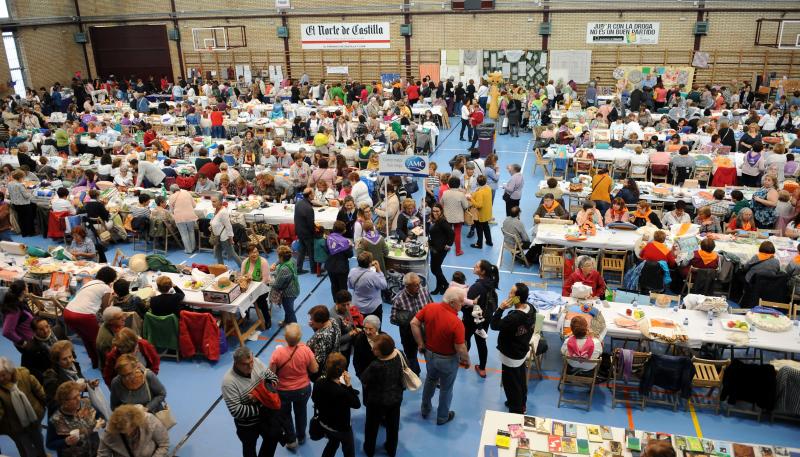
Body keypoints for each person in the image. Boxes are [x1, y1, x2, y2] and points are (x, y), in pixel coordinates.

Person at [411, 287, 470, 425]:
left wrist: (420, 343)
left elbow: (414, 323)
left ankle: (425, 409)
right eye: (461, 302)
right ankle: (442, 417)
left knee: (430, 380)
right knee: (446, 388)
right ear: (452, 302)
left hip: (429, 355)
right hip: (447, 360)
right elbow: (460, 347)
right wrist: (466, 360)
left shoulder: (430, 307)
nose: (462, 305)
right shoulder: (457, 323)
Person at [222, 346, 281, 457]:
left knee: (274, 437)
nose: (250, 366)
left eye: (251, 361)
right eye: (245, 364)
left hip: (265, 418)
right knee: (249, 449)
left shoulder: (257, 362)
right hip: (247, 425)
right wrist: (263, 405)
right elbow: (236, 411)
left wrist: (258, 395)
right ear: (236, 363)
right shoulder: (228, 382)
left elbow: (274, 379)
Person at [268, 323, 318, 450]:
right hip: (302, 389)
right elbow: (314, 369)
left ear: (285, 337)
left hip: (283, 391)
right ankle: (301, 437)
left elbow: (271, 374)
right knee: (301, 413)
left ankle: (291, 439)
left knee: (285, 415)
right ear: (300, 337)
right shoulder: (306, 350)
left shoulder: (277, 353)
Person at [490, 283, 536, 414]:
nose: (509, 294)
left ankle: (516, 410)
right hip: (521, 350)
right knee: (520, 380)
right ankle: (521, 403)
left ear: (517, 298)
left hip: (510, 355)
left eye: (511, 293)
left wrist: (500, 309)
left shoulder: (513, 318)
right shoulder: (531, 309)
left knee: (511, 385)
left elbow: (494, 325)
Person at [360, 334, 406, 457]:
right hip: (395, 398)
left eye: (375, 349)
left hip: (377, 401)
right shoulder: (399, 354)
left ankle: (369, 450)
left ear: (382, 351)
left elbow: (364, 379)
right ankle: (391, 449)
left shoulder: (376, 365)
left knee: (371, 427)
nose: (372, 349)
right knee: (393, 426)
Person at [63, 266, 117, 368]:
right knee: (97, 341)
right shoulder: (106, 288)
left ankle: (94, 362)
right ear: (110, 280)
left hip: (67, 312)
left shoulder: (89, 282)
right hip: (84, 316)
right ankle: (103, 364)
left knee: (86, 338)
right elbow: (104, 309)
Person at [312, 353, 361, 457]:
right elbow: (357, 404)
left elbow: (314, 398)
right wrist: (349, 385)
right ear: (342, 371)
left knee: (333, 443)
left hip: (324, 423)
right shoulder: (342, 392)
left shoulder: (318, 382)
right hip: (342, 428)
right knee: (348, 450)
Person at [0, 357, 46, 457]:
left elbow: (39, 391)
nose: (1, 379)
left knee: (38, 440)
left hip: (34, 418)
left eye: (3, 375)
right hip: (15, 426)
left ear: (11, 371)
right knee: (25, 447)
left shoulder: (25, 374)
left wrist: (45, 404)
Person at [46, 381, 101, 457]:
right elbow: (50, 444)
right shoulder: (56, 420)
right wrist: (65, 442)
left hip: (95, 449)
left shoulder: (85, 402)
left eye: (78, 394)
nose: (79, 399)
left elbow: (97, 414)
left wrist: (101, 421)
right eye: (74, 398)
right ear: (64, 402)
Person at [390, 272, 430, 376]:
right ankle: (415, 375)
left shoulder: (424, 291)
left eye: (419, 283)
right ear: (407, 286)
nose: (418, 286)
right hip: (408, 333)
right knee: (411, 357)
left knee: (429, 355)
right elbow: (393, 319)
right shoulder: (398, 299)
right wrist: (409, 318)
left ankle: (433, 377)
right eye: (415, 285)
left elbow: (430, 305)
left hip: (426, 330)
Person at [42, 340, 99, 411]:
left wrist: (89, 384)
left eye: (70, 356)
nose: (69, 361)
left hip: (78, 404)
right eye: (64, 359)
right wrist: (76, 390)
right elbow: (55, 404)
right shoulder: (52, 379)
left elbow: (80, 380)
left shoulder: (74, 365)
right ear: (56, 360)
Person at [465, 260, 498, 378]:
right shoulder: (491, 283)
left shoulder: (477, 287)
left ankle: (464, 359)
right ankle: (482, 368)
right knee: (481, 342)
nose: (474, 266)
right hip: (484, 319)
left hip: (471, 319)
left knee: (465, 338)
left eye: (477, 266)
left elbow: (466, 304)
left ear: (483, 271)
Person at [97, 404, 170, 457]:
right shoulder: (111, 430)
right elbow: (102, 454)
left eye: (129, 431)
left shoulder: (149, 420)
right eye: (121, 431)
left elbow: (164, 444)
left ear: (135, 423)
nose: (127, 434)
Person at [347, 251, 387, 323]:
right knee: (375, 328)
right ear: (370, 263)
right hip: (372, 308)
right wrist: (379, 270)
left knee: (360, 328)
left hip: (357, 306)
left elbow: (350, 286)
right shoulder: (373, 275)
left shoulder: (352, 271)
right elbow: (384, 285)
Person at [241, 244, 272, 327]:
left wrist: (255, 289)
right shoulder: (245, 262)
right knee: (242, 298)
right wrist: (246, 278)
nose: (254, 254)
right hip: (249, 285)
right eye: (252, 252)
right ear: (248, 254)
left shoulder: (263, 262)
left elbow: (265, 279)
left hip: (262, 286)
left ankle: (267, 318)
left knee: (261, 302)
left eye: (256, 252)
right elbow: (242, 276)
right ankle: (245, 314)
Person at [428, 203, 454, 295]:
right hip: (434, 247)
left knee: (434, 269)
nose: (435, 213)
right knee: (437, 268)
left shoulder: (442, 221)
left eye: (437, 211)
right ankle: (439, 287)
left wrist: (448, 244)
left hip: (440, 249)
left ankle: (446, 284)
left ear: (441, 211)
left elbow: (451, 233)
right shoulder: (434, 220)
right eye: (433, 211)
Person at [21, 317, 57, 384]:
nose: (46, 331)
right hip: (50, 379)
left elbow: (69, 349)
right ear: (34, 331)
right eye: (41, 329)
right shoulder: (30, 348)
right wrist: (43, 375)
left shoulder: (58, 332)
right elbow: (26, 369)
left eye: (47, 326)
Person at [210, 195, 243, 267]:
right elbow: (215, 221)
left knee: (232, 254)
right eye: (211, 201)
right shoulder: (216, 210)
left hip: (224, 238)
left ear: (220, 202)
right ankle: (221, 269)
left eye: (214, 201)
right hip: (217, 237)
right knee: (218, 254)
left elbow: (228, 226)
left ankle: (243, 267)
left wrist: (231, 239)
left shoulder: (223, 212)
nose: (212, 203)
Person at [307, 305, 342, 372]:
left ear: (320, 322)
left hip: (323, 369)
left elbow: (319, 359)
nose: (310, 320)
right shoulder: (333, 321)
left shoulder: (321, 336)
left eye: (312, 319)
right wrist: (314, 326)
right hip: (335, 358)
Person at [440, 176, 469, 256]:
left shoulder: (445, 193)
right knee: (457, 234)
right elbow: (466, 206)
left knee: (447, 233)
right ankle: (458, 251)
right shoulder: (461, 194)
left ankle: (446, 248)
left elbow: (441, 203)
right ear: (458, 184)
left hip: (447, 217)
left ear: (449, 184)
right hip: (458, 218)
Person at [272, 245, 300, 326]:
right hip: (295, 288)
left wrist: (269, 281)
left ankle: (295, 328)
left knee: (289, 311)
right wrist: (275, 264)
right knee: (288, 309)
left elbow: (277, 285)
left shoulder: (284, 269)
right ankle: (287, 321)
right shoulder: (292, 260)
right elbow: (280, 261)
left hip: (288, 294)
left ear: (281, 257)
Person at [325, 221, 354, 299]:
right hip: (342, 268)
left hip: (330, 266)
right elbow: (350, 255)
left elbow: (327, 251)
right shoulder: (345, 242)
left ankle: (336, 302)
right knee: (343, 287)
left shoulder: (328, 238)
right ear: (344, 230)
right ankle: (344, 303)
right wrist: (350, 246)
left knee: (334, 285)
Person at [168, 184, 198, 254]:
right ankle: (193, 248)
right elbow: (194, 205)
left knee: (184, 234)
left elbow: (171, 211)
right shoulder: (187, 193)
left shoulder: (171, 197)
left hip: (179, 217)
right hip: (190, 216)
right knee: (191, 231)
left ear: (172, 191)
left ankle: (188, 250)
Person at [294, 187, 316, 274]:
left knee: (302, 251)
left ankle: (299, 268)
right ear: (310, 195)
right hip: (307, 234)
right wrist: (314, 233)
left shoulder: (298, 203)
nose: (314, 195)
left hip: (299, 231)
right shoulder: (309, 209)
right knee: (311, 252)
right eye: (313, 193)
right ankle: (313, 270)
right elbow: (311, 224)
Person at [7, 169, 36, 236]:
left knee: (21, 218)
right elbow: (26, 196)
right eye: (23, 177)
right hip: (24, 204)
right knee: (29, 218)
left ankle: (24, 233)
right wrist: (31, 192)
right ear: (20, 177)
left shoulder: (10, 183)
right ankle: (31, 233)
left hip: (15, 204)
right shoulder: (20, 185)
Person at [468, 175, 493, 249]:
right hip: (487, 212)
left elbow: (479, 205)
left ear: (477, 182)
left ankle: (479, 244)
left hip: (480, 215)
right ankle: (489, 241)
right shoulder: (488, 188)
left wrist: (470, 199)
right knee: (486, 227)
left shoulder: (480, 192)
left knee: (479, 229)